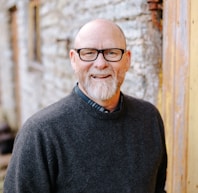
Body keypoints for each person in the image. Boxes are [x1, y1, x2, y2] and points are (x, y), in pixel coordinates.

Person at [4, 19, 167, 193]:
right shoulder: (40, 134)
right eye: (89, 53)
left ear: (127, 60)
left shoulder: (149, 118)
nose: (101, 63)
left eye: (112, 52)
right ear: (74, 60)